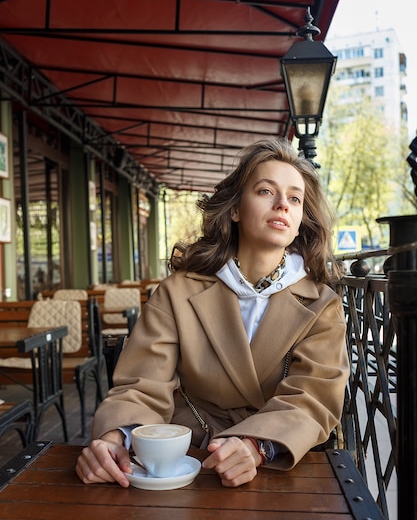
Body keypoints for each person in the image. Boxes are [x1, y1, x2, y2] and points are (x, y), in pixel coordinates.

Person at [76, 138, 349, 488]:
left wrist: (257, 445)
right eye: (266, 191)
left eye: (294, 199)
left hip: (274, 462)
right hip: (181, 458)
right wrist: (114, 440)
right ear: (235, 209)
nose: (282, 204)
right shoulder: (177, 292)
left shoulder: (321, 304)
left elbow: (312, 397)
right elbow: (143, 385)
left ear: (299, 223)